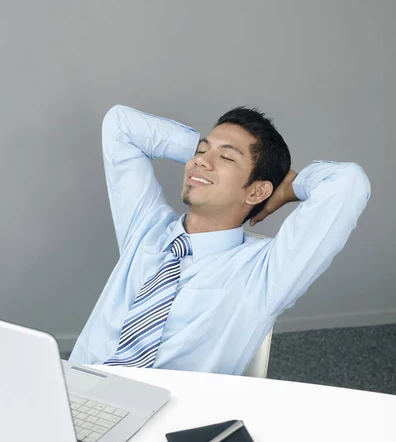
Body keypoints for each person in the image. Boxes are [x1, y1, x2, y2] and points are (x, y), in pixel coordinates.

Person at [69, 104, 370, 374]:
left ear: (256, 191)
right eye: (200, 152)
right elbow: (121, 124)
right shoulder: (146, 231)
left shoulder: (265, 274)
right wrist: (205, 154)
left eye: (226, 156)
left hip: (165, 417)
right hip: (75, 393)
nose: (199, 162)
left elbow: (349, 183)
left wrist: (290, 186)